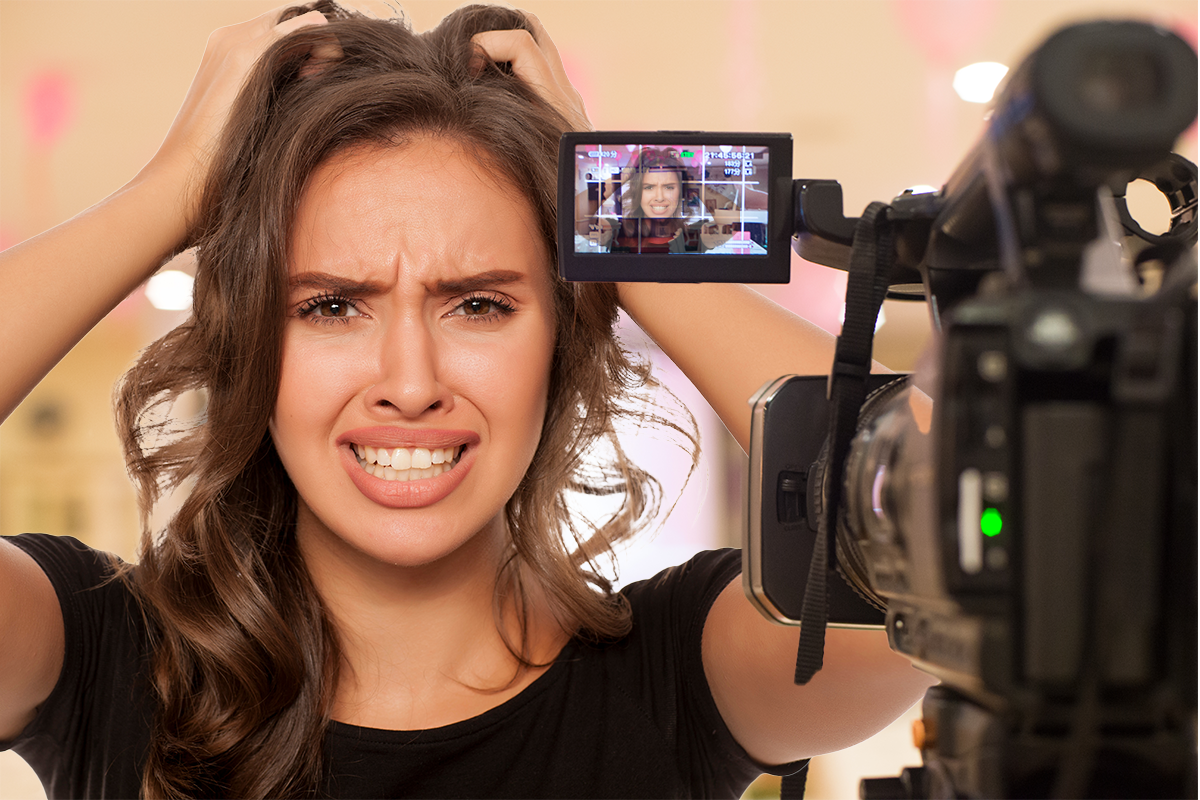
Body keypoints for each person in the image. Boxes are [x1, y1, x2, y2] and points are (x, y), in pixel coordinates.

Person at [0, 2, 936, 798]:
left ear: (562, 343)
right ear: (251, 347)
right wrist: (173, 192)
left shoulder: (685, 674)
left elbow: (942, 499)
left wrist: (609, 199)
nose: (410, 383)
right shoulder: (102, 654)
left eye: (480, 304)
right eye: (330, 305)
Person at [611, 147, 709, 254]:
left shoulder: (690, 237)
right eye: (649, 187)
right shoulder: (622, 235)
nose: (659, 197)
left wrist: (689, 178)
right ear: (637, 193)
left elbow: (729, 221)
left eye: (669, 187)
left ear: (681, 193)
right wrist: (625, 174)